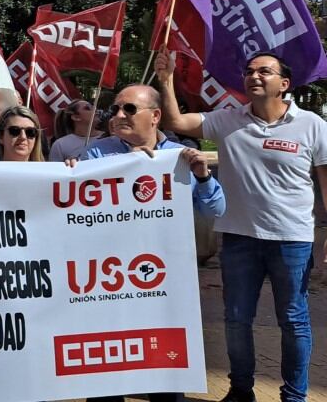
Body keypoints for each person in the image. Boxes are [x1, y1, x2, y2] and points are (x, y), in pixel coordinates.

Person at [156, 52, 323, 402]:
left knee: (293, 321)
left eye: (265, 71)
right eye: (249, 71)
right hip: (238, 238)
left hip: (292, 240)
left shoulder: (312, 125)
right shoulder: (227, 119)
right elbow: (175, 122)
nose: (254, 76)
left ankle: (295, 395)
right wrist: (166, 79)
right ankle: (240, 390)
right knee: (236, 320)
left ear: (284, 84)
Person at [77, 84, 225, 402]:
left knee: (164, 372)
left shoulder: (179, 157)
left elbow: (216, 210)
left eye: (129, 109)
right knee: (106, 375)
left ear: (155, 116)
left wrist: (202, 175)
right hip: (108, 283)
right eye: (114, 109)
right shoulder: (96, 154)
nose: (118, 115)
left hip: (162, 285)